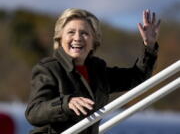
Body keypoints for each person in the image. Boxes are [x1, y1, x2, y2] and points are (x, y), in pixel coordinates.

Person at [25, 8, 160, 134]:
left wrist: (150, 46)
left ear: (93, 42)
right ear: (60, 39)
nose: (77, 38)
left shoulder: (99, 71)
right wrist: (66, 104)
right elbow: (33, 113)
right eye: (71, 32)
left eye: (84, 33)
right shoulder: (48, 69)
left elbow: (137, 77)